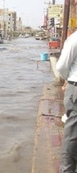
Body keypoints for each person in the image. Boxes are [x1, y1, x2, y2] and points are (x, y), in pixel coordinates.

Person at [56, 30, 77, 173]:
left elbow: (61, 66)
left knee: (73, 133)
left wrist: (67, 80)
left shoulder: (74, 38)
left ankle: (67, 170)